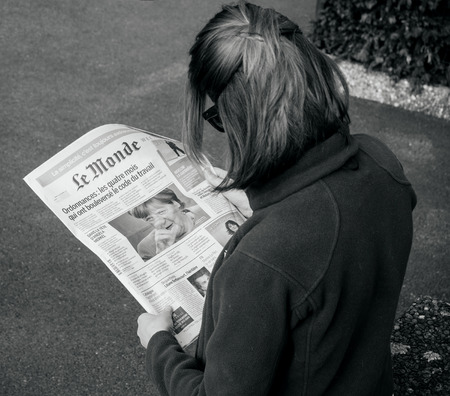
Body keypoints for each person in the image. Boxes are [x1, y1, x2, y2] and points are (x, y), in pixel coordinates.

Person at [136, 2, 417, 395]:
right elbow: (329, 226)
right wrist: (261, 203)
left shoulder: (261, 262)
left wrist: (159, 345)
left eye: (220, 118)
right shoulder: (382, 165)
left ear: (241, 120)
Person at [129, 188, 200, 259]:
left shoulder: (203, 210)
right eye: (150, 218)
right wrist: (164, 255)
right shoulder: (146, 247)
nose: (159, 222)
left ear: (175, 204)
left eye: (161, 212)